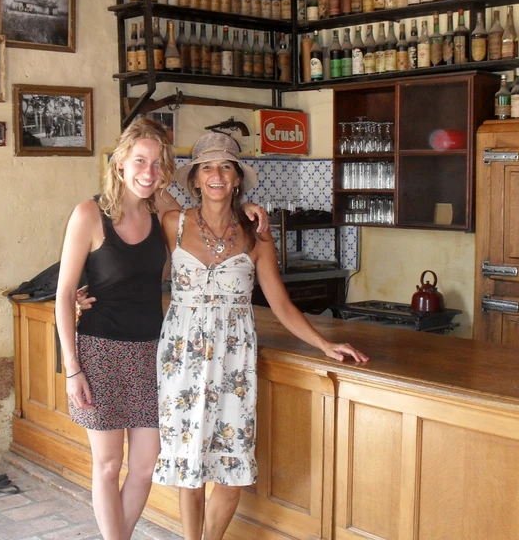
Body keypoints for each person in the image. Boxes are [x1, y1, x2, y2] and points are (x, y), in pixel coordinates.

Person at [57, 119, 268, 540]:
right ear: (120, 163)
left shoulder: (160, 209)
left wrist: (245, 208)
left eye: (156, 164)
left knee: (145, 465)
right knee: (108, 465)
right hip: (99, 352)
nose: (148, 172)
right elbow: (63, 294)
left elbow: (211, 208)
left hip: (153, 352)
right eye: (139, 161)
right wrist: (72, 368)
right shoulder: (89, 214)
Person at [152, 132, 368, 540]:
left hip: (234, 362)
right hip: (181, 360)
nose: (217, 175)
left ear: (237, 179)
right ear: (195, 179)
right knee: (190, 466)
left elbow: (282, 306)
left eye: (226, 167)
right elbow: (144, 185)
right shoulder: (172, 224)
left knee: (231, 471)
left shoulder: (257, 236)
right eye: (207, 167)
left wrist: (325, 343)